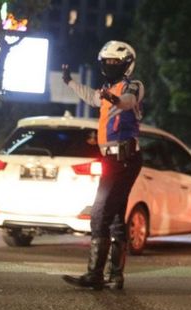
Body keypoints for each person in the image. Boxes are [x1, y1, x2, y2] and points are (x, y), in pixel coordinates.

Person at [61, 40, 144, 290]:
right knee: (116, 217)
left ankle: (95, 275)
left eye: (114, 62)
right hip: (113, 159)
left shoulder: (133, 86)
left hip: (124, 159)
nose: (109, 66)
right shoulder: (108, 88)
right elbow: (91, 96)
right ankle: (115, 276)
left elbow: (127, 101)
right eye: (106, 62)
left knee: (99, 215)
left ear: (126, 64)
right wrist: (69, 81)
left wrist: (113, 98)